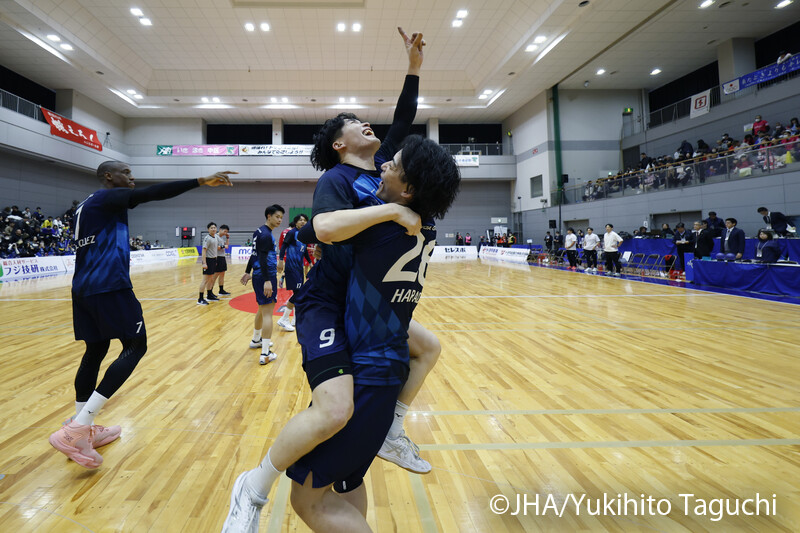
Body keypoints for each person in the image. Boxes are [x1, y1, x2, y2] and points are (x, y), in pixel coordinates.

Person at [222, 28, 437, 533]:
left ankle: (392, 431)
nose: (367, 123)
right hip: (328, 301)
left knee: (427, 347)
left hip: (365, 303)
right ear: (340, 143)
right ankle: (253, 488)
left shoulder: (382, 170)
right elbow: (322, 229)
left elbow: (403, 118)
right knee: (336, 410)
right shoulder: (337, 180)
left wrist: (413, 68)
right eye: (355, 123)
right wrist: (391, 211)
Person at [286, 136, 460, 533]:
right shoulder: (425, 227)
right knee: (348, 482)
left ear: (408, 190)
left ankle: (254, 485)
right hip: (388, 371)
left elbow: (316, 231)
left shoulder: (379, 225)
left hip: (367, 381)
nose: (382, 165)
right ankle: (393, 430)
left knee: (308, 499)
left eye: (392, 165)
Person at [48, 161, 234, 469]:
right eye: (126, 172)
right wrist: (201, 180)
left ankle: (82, 429)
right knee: (136, 346)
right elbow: (152, 194)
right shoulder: (106, 197)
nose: (132, 177)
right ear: (109, 176)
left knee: (96, 350)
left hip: (83, 287)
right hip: (109, 284)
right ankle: (78, 428)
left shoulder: (83, 206)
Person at [241, 205, 284, 365]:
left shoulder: (259, 231)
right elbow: (263, 258)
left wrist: (248, 272)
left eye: (281, 217)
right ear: (269, 216)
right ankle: (265, 353)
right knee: (267, 313)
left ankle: (256, 340)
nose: (280, 220)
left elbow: (254, 254)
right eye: (277, 217)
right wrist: (267, 280)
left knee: (261, 308)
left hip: (258, 275)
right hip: (266, 276)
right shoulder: (266, 235)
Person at [277, 214, 311, 331]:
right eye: (300, 220)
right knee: (298, 293)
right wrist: (281, 261)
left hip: (299, 268)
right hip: (291, 267)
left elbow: (304, 251)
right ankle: (284, 318)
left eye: (305, 220)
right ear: (295, 222)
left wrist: (310, 263)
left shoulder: (304, 235)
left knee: (298, 293)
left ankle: (295, 319)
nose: (303, 222)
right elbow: (283, 247)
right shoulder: (292, 233)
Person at [198, 222, 220, 305]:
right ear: (208, 229)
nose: (213, 229)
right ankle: (200, 299)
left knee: (211, 279)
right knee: (205, 280)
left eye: (214, 228)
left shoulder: (215, 237)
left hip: (213, 260)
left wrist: (215, 260)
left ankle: (209, 294)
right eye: (211, 228)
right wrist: (204, 263)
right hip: (208, 260)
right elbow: (204, 250)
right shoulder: (207, 238)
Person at [214, 224, 232, 296]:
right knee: (215, 275)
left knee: (222, 274)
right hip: (217, 257)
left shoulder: (221, 238)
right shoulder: (215, 237)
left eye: (226, 232)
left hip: (222, 257)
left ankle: (221, 290)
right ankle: (210, 291)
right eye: (225, 231)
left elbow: (227, 246)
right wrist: (223, 246)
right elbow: (215, 247)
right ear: (220, 229)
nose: (225, 233)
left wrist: (227, 238)